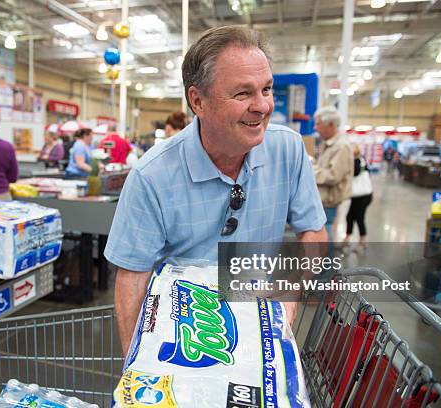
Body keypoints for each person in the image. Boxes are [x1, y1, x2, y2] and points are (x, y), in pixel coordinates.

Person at [104, 26, 327, 355]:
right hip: (185, 334)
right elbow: (133, 276)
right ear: (198, 101)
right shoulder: (152, 176)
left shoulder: (288, 150)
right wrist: (135, 366)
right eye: (242, 94)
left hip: (260, 324)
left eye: (266, 89)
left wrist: (289, 292)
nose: (263, 106)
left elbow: (313, 232)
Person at [312, 106, 354, 241]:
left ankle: (327, 262)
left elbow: (333, 176)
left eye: (318, 124)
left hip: (329, 200)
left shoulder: (341, 146)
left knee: (325, 234)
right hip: (323, 198)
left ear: (330, 125)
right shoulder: (328, 143)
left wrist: (311, 170)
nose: (315, 128)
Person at [344, 144, 373, 248]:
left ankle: (362, 239)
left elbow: (354, 173)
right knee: (350, 216)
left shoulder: (356, 161)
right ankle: (348, 237)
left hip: (361, 196)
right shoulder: (362, 159)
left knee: (359, 217)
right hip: (361, 195)